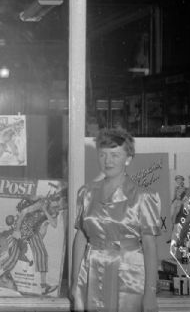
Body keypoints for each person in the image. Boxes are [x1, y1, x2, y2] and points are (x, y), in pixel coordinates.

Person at [71, 128, 160, 312]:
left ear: (128, 158)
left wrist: (150, 293)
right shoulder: (86, 193)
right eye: (102, 155)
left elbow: (150, 246)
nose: (108, 161)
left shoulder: (143, 196)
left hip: (129, 277)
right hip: (91, 273)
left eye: (115, 155)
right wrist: (74, 282)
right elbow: (80, 237)